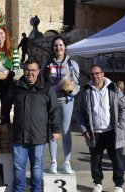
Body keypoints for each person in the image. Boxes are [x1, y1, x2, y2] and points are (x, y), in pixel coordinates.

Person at [9, 59, 61, 192]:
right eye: (27, 70)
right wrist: (4, 121)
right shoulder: (16, 87)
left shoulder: (47, 88)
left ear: (38, 71)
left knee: (37, 166)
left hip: (38, 136)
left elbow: (54, 110)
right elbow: (6, 105)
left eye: (33, 70)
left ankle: (36, 190)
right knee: (18, 167)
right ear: (23, 70)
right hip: (19, 136)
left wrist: (56, 129)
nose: (30, 73)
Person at [77, 65, 125, 192]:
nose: (95, 76)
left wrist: (121, 125)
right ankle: (98, 183)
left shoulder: (114, 88)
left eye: (97, 73)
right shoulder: (86, 90)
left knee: (117, 161)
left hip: (113, 132)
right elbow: (80, 113)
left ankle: (118, 185)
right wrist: (84, 130)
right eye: (92, 74)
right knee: (95, 162)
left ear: (103, 74)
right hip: (94, 133)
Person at [43, 36, 80, 174]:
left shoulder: (72, 64)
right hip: (51, 101)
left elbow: (77, 85)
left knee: (65, 131)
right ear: (52, 48)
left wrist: (72, 90)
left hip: (67, 100)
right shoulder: (47, 64)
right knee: (53, 130)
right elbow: (42, 82)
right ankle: (53, 162)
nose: (58, 48)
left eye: (60, 45)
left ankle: (66, 162)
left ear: (65, 47)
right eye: (55, 46)